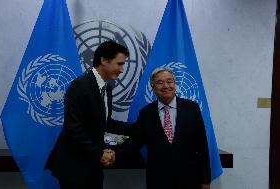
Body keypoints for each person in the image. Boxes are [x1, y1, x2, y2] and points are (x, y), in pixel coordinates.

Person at [45, 41, 133, 189]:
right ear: (104, 60)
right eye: (119, 64)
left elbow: (105, 123)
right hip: (74, 166)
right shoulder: (79, 86)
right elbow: (73, 129)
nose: (122, 69)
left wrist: (141, 126)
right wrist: (99, 154)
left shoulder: (107, 88)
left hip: (93, 164)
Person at [118, 68, 211, 189]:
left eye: (169, 81)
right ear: (153, 87)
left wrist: (205, 180)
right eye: (160, 82)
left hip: (189, 179)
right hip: (158, 180)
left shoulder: (192, 109)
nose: (166, 86)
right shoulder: (146, 113)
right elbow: (135, 142)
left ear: (175, 84)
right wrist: (113, 155)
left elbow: (202, 146)